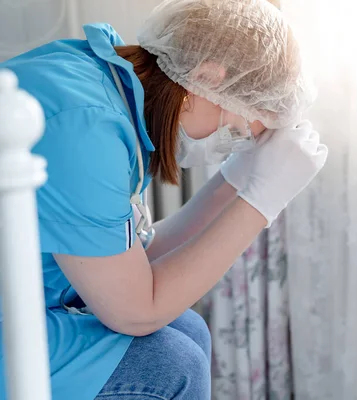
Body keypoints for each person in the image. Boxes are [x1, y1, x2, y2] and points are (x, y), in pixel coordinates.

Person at [0, 0, 327, 399]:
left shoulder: (108, 85)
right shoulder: (86, 131)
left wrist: (234, 181)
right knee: (172, 365)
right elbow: (136, 311)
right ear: (205, 77)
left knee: (188, 329)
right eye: (240, 132)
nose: (231, 147)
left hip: (25, 295)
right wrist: (260, 203)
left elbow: (140, 258)